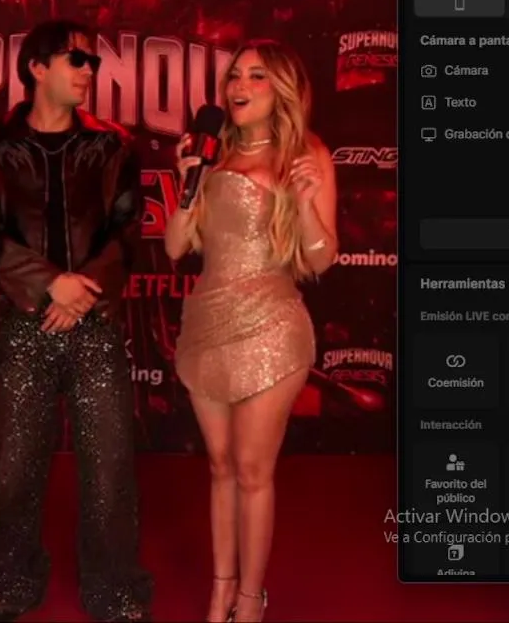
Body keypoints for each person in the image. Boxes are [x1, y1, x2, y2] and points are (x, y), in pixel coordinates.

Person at [0, 19, 152, 622]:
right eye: (76, 59)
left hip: (95, 321)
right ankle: (9, 582)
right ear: (37, 67)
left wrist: (80, 293)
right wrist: (51, 285)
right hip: (23, 323)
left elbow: (129, 230)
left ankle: (115, 589)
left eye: (92, 61)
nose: (88, 70)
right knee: (15, 467)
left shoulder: (115, 146)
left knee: (110, 469)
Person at [165, 39, 338, 622]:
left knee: (252, 470)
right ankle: (221, 590)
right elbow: (175, 247)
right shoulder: (209, 152)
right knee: (219, 467)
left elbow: (321, 258)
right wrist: (187, 185)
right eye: (235, 75)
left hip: (271, 329)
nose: (239, 85)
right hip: (207, 326)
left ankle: (249, 599)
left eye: (256, 76)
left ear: (281, 88)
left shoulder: (307, 154)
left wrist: (305, 203)